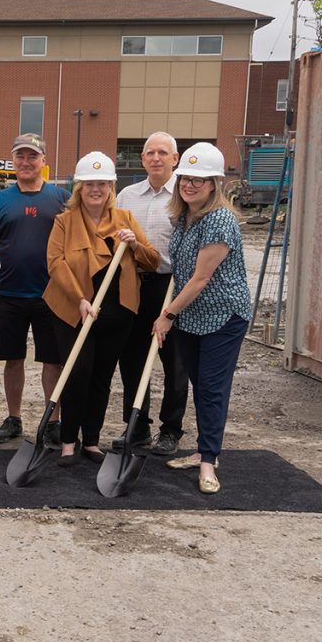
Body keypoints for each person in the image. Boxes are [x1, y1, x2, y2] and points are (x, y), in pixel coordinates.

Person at [44, 152, 160, 465]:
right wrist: (80, 299)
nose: (96, 189)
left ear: (111, 186)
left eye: (102, 184)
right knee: (77, 372)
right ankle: (69, 440)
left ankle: (91, 441)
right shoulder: (64, 222)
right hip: (74, 309)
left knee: (101, 377)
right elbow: (56, 264)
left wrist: (134, 243)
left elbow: (153, 261)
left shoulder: (125, 220)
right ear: (79, 187)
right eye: (89, 184)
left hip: (117, 313)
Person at [153, 142, 251, 495]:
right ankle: (201, 450)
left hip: (224, 315)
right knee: (199, 383)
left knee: (211, 388)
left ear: (213, 184)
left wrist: (167, 315)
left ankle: (208, 461)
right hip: (193, 317)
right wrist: (177, 313)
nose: (189, 185)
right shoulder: (182, 217)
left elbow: (200, 278)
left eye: (199, 179)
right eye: (185, 179)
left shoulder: (220, 219)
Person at [0, 133, 68, 446]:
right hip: (9, 296)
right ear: (13, 160)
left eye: (33, 156)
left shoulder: (61, 198)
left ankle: (53, 420)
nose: (26, 162)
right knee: (12, 359)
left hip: (51, 296)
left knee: (52, 360)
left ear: (44, 161)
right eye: (20, 156)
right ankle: (14, 417)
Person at [113, 131, 189, 455]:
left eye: (163, 152)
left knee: (173, 362)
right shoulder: (127, 196)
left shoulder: (184, 196)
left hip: (171, 286)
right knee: (130, 359)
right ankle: (138, 427)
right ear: (142, 159)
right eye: (149, 153)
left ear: (175, 159)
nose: (155, 158)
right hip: (133, 284)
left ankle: (170, 430)